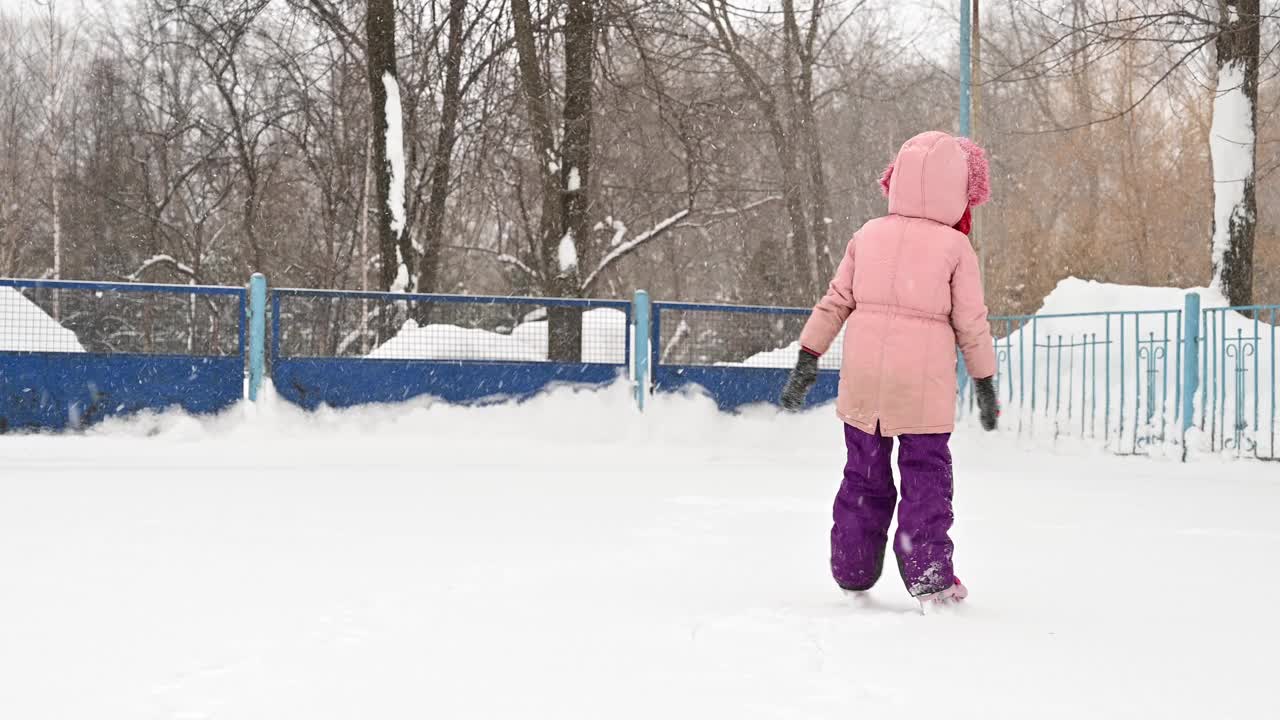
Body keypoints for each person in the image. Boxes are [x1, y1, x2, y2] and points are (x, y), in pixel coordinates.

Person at [780, 130, 999, 609]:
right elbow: (972, 325)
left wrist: (808, 355)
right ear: (960, 190)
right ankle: (930, 578)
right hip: (921, 390)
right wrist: (984, 381)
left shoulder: (868, 235)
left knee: (863, 474)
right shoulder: (955, 248)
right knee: (925, 480)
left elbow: (836, 301)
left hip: (864, 383)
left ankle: (853, 568)